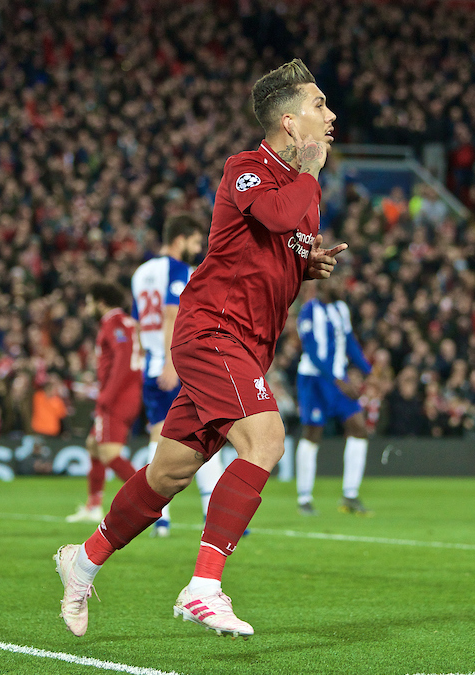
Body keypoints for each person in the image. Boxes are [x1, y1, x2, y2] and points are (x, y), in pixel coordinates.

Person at [54, 58, 345, 639]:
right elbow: (278, 214)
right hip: (214, 331)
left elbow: (276, 243)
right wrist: (311, 175)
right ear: (289, 122)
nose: (331, 116)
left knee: (168, 473)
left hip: (249, 345)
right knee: (266, 440)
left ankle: (81, 561)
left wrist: (304, 266)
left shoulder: (298, 185)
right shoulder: (247, 170)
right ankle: (204, 587)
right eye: (319, 106)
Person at [130, 214, 227, 536]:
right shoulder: (176, 270)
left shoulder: (140, 273)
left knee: (158, 436)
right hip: (176, 364)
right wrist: (173, 363)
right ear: (181, 238)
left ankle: (159, 518)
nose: (197, 249)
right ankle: (215, 516)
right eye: (196, 242)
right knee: (206, 434)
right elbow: (172, 314)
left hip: (151, 365)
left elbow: (139, 325)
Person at [294, 269, 374, 516]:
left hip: (338, 380)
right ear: (323, 284)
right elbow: (312, 353)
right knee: (313, 434)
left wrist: (368, 371)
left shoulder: (342, 310)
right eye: (338, 281)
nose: (342, 286)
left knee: (359, 428)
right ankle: (304, 497)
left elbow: (350, 342)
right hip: (315, 380)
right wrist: (339, 380)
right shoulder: (309, 311)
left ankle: (350, 495)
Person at [65, 282, 143, 523]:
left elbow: (123, 359)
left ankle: (148, 498)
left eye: (89, 302)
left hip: (119, 397)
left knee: (110, 453)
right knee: (93, 445)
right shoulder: (127, 323)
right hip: (128, 393)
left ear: (101, 302)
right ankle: (94, 506)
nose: (87, 308)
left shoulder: (114, 323)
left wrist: (107, 395)